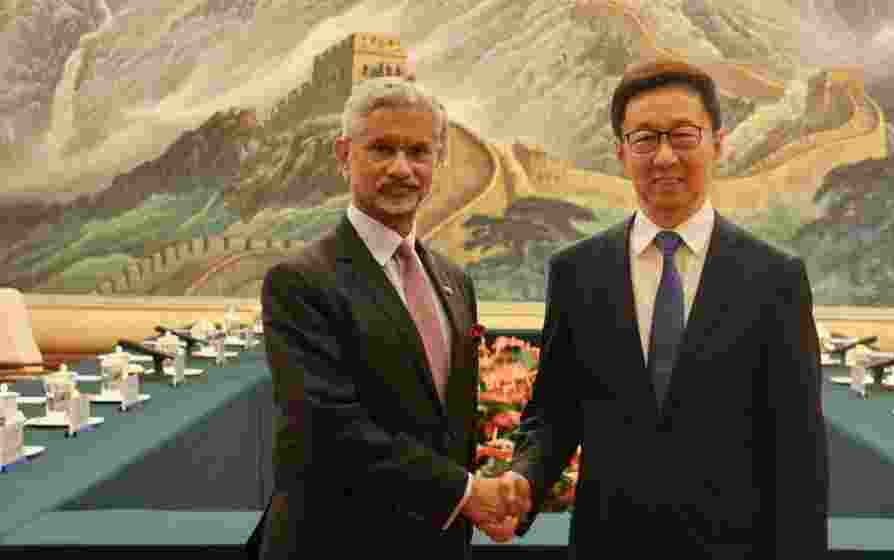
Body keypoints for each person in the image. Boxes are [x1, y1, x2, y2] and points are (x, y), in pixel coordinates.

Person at [505, 59, 829, 556]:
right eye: (644, 139)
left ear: (718, 144)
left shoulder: (775, 279)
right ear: (621, 152)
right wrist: (522, 481)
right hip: (608, 544)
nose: (663, 157)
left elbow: (797, 452)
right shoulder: (577, 272)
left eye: (682, 136)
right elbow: (555, 410)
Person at [246, 77, 529, 559]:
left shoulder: (454, 282)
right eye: (381, 149)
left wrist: (484, 498)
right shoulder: (299, 282)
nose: (402, 168)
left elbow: (447, 426)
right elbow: (329, 431)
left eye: (418, 151)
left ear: (438, 161)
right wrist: (465, 494)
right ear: (343, 154)